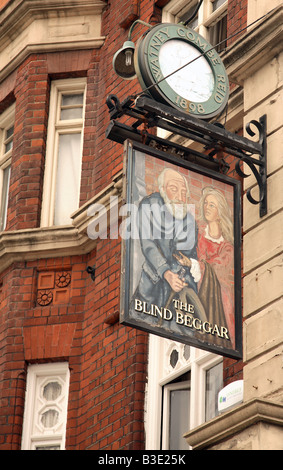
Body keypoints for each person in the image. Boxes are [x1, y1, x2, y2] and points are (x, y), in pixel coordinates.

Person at [132, 168, 205, 318]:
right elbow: (148, 245)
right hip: (152, 285)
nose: (180, 196)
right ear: (162, 189)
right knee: (144, 318)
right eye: (174, 189)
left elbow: (189, 255)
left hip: (181, 289)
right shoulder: (149, 205)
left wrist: (185, 277)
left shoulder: (189, 220)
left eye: (184, 192)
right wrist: (166, 273)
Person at [177, 186, 235, 346]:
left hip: (220, 299)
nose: (206, 207)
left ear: (220, 212)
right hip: (197, 292)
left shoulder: (227, 246)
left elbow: (218, 266)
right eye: (206, 203)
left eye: (212, 205)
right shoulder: (199, 235)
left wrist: (193, 263)